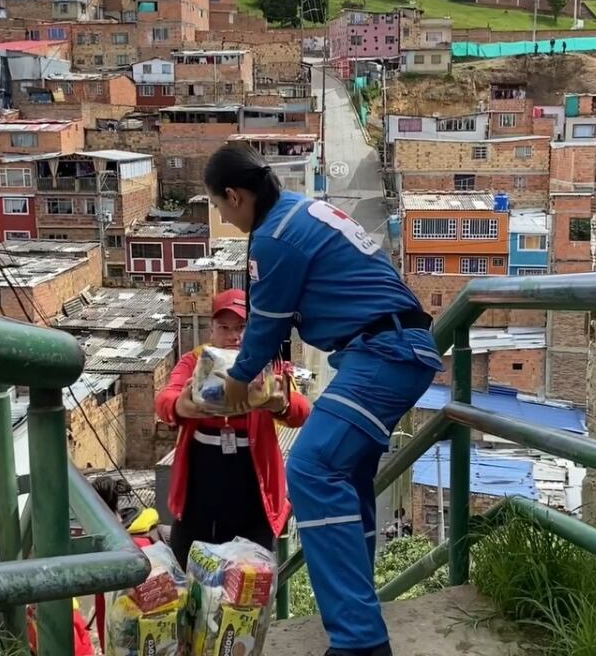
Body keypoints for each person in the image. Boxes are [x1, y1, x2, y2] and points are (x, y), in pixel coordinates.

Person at [206, 144, 441, 656]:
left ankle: (359, 639)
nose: (224, 218)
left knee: (310, 469)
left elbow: (263, 335)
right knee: (347, 478)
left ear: (235, 195)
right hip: (392, 347)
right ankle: (358, 617)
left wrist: (232, 386)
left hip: (385, 352)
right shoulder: (298, 210)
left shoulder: (274, 238)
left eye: (221, 208)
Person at [156, 287, 311, 568]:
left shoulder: (265, 363)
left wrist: (279, 404)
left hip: (252, 481)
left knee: (250, 575)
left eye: (241, 327)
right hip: (200, 482)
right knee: (188, 566)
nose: (233, 336)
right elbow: (166, 398)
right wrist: (181, 406)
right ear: (211, 330)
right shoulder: (195, 361)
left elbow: (301, 411)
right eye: (224, 327)